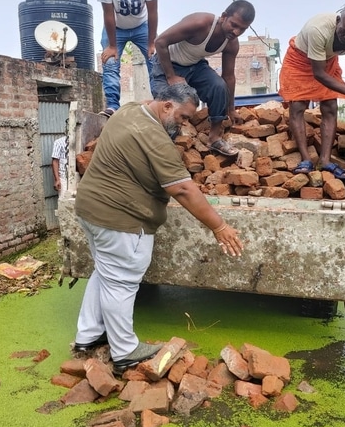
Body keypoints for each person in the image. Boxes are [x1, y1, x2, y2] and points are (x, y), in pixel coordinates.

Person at [72, 83, 244, 373]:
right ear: (166, 106)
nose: (185, 125)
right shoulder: (155, 137)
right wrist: (219, 226)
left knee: (105, 273)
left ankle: (88, 337)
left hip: (90, 209)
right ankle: (125, 351)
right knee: (122, 283)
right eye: (183, 117)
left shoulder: (128, 111)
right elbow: (183, 189)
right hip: (121, 220)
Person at [278, 1, 345, 179]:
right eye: (344, 30)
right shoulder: (318, 28)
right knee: (298, 106)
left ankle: (325, 161)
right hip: (299, 60)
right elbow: (319, 74)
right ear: (338, 20)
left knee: (330, 106)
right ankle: (306, 160)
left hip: (327, 60)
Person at [149, 0, 255, 157]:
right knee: (169, 103)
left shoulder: (231, 43)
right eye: (234, 25)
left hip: (195, 66)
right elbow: (160, 42)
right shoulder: (200, 23)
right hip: (166, 64)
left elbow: (228, 76)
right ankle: (165, 145)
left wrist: (231, 109)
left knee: (219, 86)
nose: (236, 32)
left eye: (242, 29)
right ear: (224, 16)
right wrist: (171, 76)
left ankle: (214, 138)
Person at [95, 0, 160, 118]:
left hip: (142, 26)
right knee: (109, 62)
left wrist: (152, 42)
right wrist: (112, 46)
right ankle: (113, 107)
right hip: (115, 28)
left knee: (155, 59)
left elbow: (153, 12)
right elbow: (108, 14)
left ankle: (159, 102)